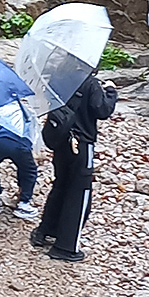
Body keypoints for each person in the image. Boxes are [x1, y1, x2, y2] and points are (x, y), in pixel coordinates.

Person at [30, 72, 117, 262]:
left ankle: (45, 231)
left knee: (61, 184)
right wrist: (111, 92)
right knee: (79, 194)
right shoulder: (89, 83)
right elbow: (102, 110)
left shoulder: (58, 77)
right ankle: (66, 246)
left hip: (61, 139)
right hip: (81, 144)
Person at [0, 99, 40, 221]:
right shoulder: (28, 112)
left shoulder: (0, 109)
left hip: (0, 143)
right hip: (21, 145)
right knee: (29, 170)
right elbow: (33, 135)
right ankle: (23, 204)